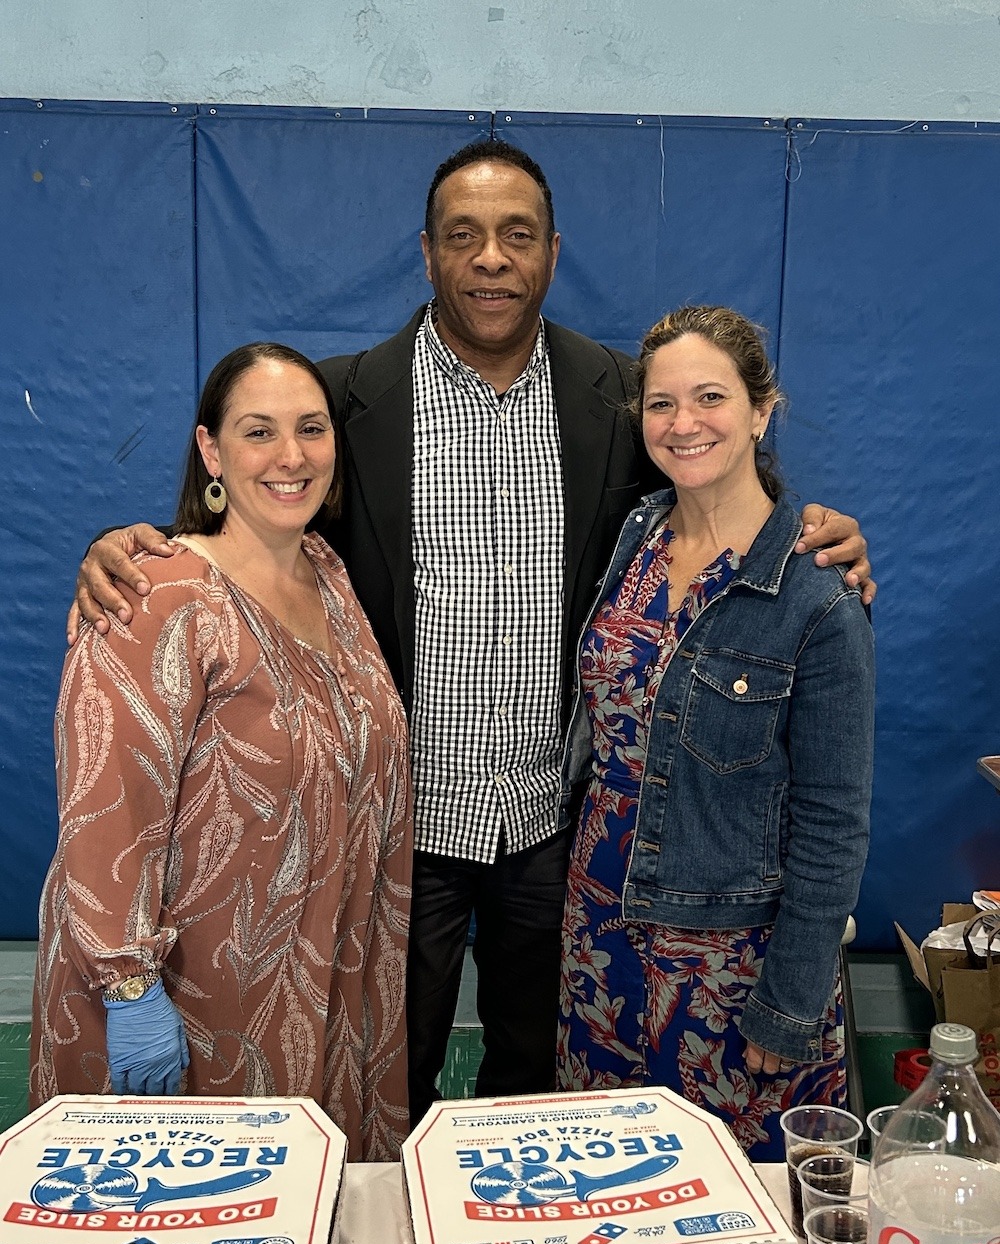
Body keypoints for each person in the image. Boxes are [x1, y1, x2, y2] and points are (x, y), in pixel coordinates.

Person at [66, 142, 873, 1129]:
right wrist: (125, 543)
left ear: (550, 251)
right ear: (427, 253)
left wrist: (823, 531)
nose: (490, 256)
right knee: (381, 1075)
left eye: (516, 234)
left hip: (557, 831)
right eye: (464, 235)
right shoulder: (337, 406)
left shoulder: (626, 401)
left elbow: (715, 502)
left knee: (536, 1090)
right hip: (397, 831)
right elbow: (246, 530)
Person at [33, 344, 411, 1163]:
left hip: (315, 984)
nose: (291, 456)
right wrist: (128, 987)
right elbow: (105, 805)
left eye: (311, 429)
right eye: (258, 431)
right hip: (192, 1000)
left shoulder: (328, 574)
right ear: (210, 449)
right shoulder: (157, 593)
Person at [557, 305, 875, 1160]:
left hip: (731, 965)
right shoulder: (638, 537)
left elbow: (834, 820)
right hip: (603, 931)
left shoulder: (818, 595)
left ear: (762, 407)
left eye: (710, 397)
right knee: (612, 1189)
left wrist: (793, 996)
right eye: (661, 403)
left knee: (739, 1217)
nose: (683, 423)